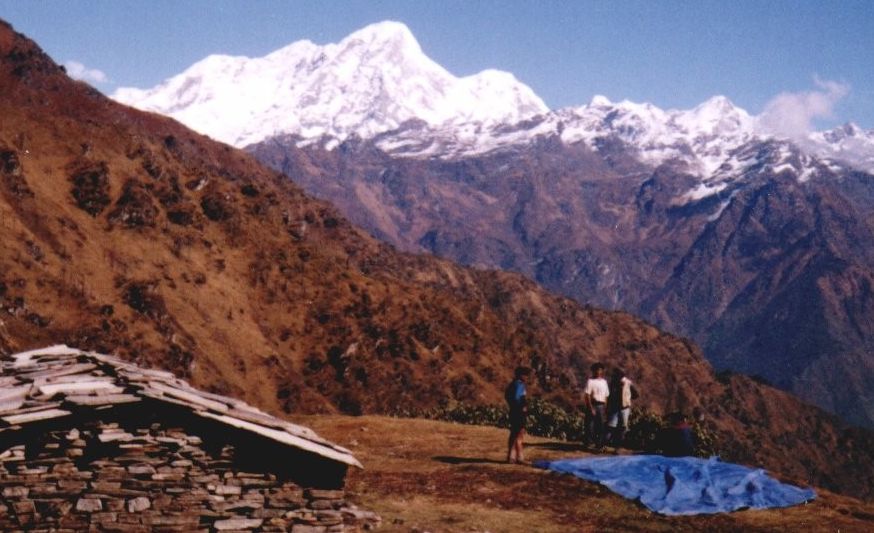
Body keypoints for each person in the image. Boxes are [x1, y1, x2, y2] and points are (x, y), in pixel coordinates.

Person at [606, 368, 638, 449]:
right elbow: (610, 395)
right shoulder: (613, 383)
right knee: (611, 426)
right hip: (616, 408)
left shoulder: (628, 383)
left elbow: (636, 394)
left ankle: (617, 446)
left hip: (624, 408)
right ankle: (605, 443)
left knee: (622, 427)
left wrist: (627, 398)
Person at [505, 366, 531, 464]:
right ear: (521, 375)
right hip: (519, 412)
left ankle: (511, 456)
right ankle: (519, 457)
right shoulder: (520, 385)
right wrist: (522, 407)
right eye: (526, 375)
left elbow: (507, 396)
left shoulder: (512, 384)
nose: (527, 377)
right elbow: (517, 397)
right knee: (519, 434)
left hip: (513, 411)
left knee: (514, 433)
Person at [582, 362, 609, 450]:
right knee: (590, 425)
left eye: (600, 370)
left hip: (601, 406)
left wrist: (606, 407)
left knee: (601, 426)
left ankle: (599, 444)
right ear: (593, 371)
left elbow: (606, 396)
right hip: (593, 404)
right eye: (596, 370)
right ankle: (588, 443)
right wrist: (590, 408)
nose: (598, 372)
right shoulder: (590, 381)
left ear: (602, 371)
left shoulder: (604, 382)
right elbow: (587, 395)